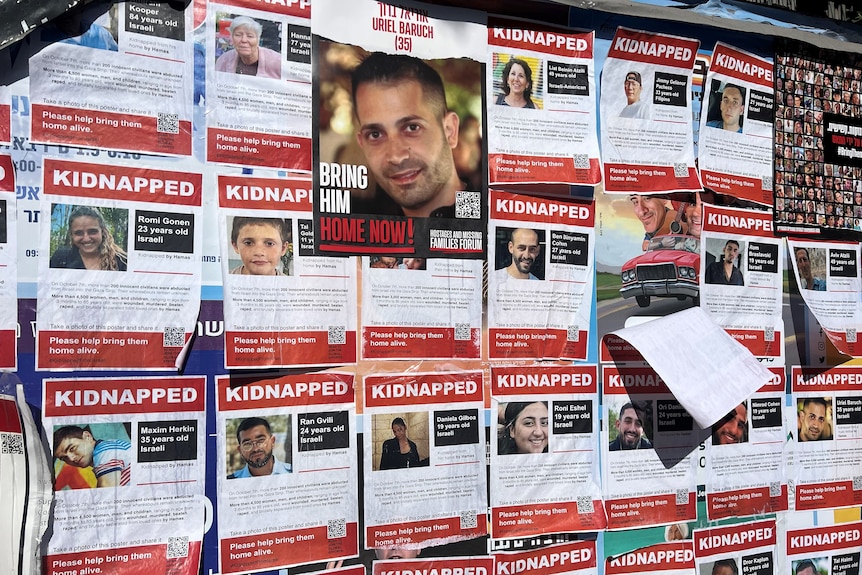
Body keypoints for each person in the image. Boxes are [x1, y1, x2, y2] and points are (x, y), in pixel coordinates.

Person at [352, 52, 463, 218]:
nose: (396, 156)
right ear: (362, 143)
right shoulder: (365, 233)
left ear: (450, 131)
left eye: (412, 128)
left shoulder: (486, 216)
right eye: (375, 134)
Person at [50, 206, 127, 271]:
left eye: (92, 231)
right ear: (71, 235)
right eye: (79, 233)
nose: (86, 238)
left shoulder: (122, 261)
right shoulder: (61, 258)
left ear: (103, 231)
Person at [53, 425, 131, 487]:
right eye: (64, 458)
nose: (71, 458)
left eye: (72, 449)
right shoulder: (109, 446)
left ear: (87, 436)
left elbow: (107, 496)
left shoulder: (104, 452)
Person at [215, 16, 281, 79]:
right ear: (231, 38)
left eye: (250, 36)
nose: (244, 40)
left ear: (258, 40)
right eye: (238, 35)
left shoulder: (277, 62)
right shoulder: (223, 61)